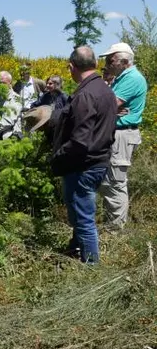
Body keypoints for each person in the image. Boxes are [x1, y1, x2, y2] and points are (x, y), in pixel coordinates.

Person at [51, 46, 117, 264]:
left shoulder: (85, 95)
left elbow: (80, 140)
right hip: (99, 160)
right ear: (96, 64)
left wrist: (59, 155)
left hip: (84, 165)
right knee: (81, 212)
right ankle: (74, 248)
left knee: (84, 218)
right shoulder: (105, 90)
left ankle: (91, 267)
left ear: (72, 67)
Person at [98, 42, 148, 232]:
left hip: (122, 134)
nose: (108, 65)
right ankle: (112, 224)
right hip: (118, 133)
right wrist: (110, 108)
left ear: (125, 61)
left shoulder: (132, 78)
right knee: (108, 181)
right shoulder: (121, 78)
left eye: (111, 61)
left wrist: (110, 107)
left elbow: (106, 105)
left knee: (115, 182)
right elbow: (108, 106)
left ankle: (115, 232)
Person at [0, 71, 23, 139]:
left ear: (10, 83)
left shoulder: (16, 98)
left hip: (10, 135)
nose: (1, 86)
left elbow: (9, 120)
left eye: (4, 83)